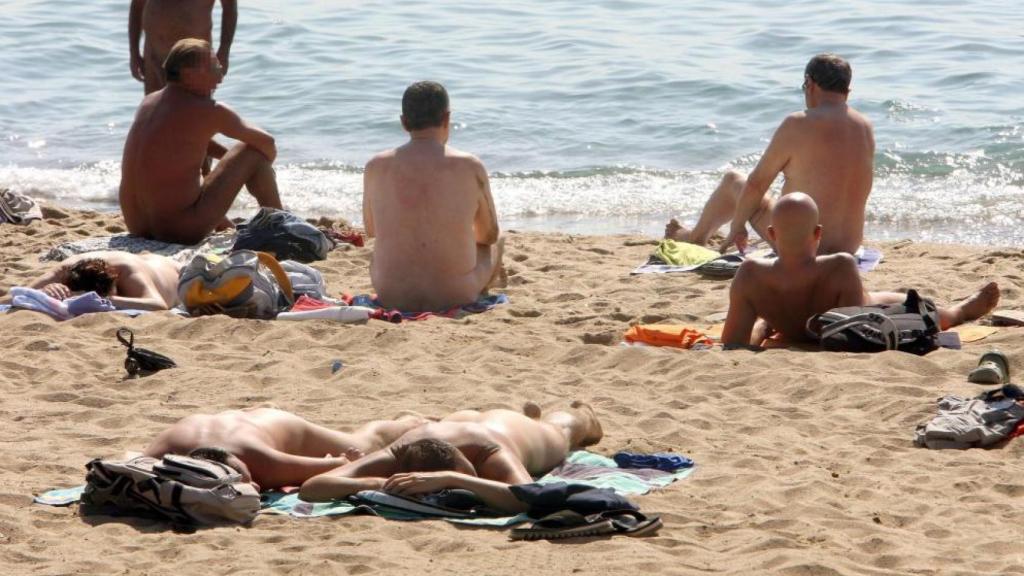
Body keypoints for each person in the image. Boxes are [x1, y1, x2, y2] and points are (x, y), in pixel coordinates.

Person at [721, 193, 1000, 347]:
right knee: (903, 303)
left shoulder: (750, 274)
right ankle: (960, 312)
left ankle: (768, 323)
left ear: (771, 233)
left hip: (790, 327)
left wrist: (765, 329)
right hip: (850, 314)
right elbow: (856, 333)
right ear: (818, 233)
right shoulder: (839, 266)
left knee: (765, 322)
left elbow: (732, 343)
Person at [665, 53, 875, 256]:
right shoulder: (865, 126)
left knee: (733, 180)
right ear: (847, 91)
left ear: (809, 84)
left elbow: (757, 183)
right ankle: (696, 235)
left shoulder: (798, 123)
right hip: (849, 246)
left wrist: (738, 226)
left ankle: (695, 238)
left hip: (805, 245)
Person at [299, 402, 603, 513]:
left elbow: (523, 497)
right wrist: (382, 483)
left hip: (505, 429)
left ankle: (584, 415)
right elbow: (312, 487)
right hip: (451, 420)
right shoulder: (399, 453)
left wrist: (454, 478)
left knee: (561, 431)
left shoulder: (489, 454)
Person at [119, 39, 283, 245]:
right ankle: (280, 227)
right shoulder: (210, 110)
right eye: (214, 67)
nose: (221, 77)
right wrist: (257, 169)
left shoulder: (149, 102)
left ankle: (227, 223)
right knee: (253, 151)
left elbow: (185, 143)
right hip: (179, 231)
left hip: (137, 226)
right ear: (189, 74)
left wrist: (230, 164)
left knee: (210, 157)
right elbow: (267, 144)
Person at [363, 81, 505, 312]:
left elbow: (372, 231)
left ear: (403, 122)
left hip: (392, 294)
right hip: (455, 295)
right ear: (447, 118)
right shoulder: (469, 165)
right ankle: (479, 288)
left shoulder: (375, 166)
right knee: (499, 241)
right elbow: (488, 235)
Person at [145, 407, 428, 491]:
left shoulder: (266, 465)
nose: (254, 486)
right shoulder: (161, 458)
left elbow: (343, 463)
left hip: (281, 425)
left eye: (246, 479)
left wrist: (347, 459)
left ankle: (411, 422)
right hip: (238, 422)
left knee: (366, 442)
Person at [0, 251, 182, 310]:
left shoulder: (127, 272)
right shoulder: (63, 271)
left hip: (173, 268)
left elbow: (158, 305)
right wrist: (43, 292)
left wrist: (103, 299)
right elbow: (8, 299)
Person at [129, 0, 237, 94]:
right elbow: (137, 6)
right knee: (155, 113)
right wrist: (134, 53)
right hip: (154, 57)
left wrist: (224, 50)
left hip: (193, 61)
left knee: (193, 111)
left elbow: (230, 6)